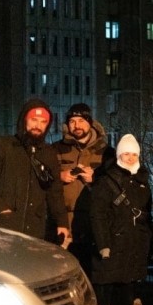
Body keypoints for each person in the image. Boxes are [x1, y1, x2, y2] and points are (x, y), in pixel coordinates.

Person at [0, 99, 69, 241]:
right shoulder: (3, 146)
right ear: (24, 120)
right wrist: (0, 208)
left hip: (35, 231)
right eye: (34, 120)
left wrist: (62, 222)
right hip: (1, 227)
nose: (38, 125)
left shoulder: (48, 154)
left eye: (43, 122)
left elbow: (54, 191)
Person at [89, 134, 152, 305]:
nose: (130, 158)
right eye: (126, 154)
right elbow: (98, 214)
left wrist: (146, 242)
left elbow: (146, 214)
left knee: (126, 287)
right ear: (118, 155)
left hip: (133, 243)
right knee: (105, 288)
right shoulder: (106, 181)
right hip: (112, 242)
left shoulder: (142, 181)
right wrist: (103, 244)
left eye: (134, 154)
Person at [53, 103, 113, 274]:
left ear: (90, 122)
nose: (76, 125)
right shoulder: (56, 149)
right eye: (72, 121)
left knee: (92, 273)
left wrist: (95, 179)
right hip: (66, 224)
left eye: (81, 120)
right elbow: (44, 178)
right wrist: (60, 176)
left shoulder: (106, 152)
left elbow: (115, 184)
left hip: (94, 224)